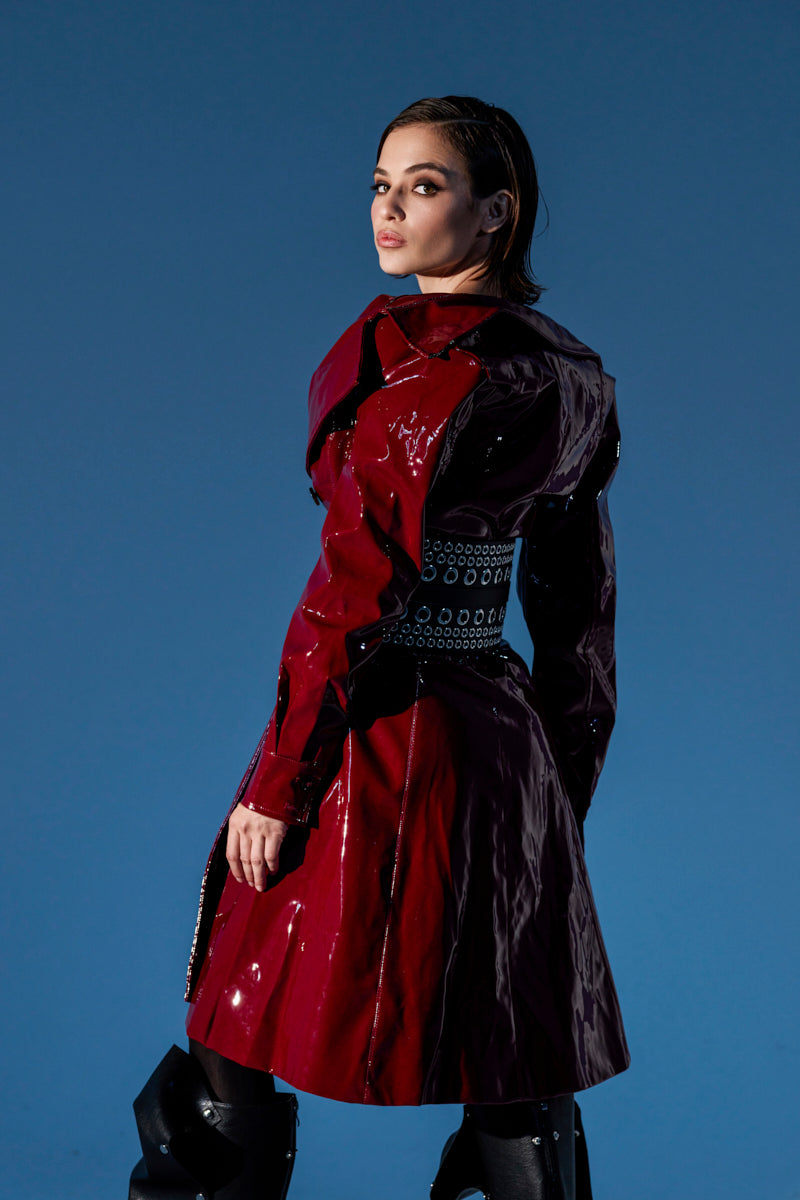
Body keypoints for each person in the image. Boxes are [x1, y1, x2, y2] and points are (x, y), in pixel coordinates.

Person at [128, 95, 630, 1200]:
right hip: (500, 747)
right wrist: (556, 796)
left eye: (425, 185)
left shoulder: (430, 380)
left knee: (234, 1017)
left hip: (382, 730)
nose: (390, 209)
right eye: (380, 185)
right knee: (512, 1047)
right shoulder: (571, 378)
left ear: (495, 213)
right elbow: (579, 612)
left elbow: (351, 592)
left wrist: (277, 781)